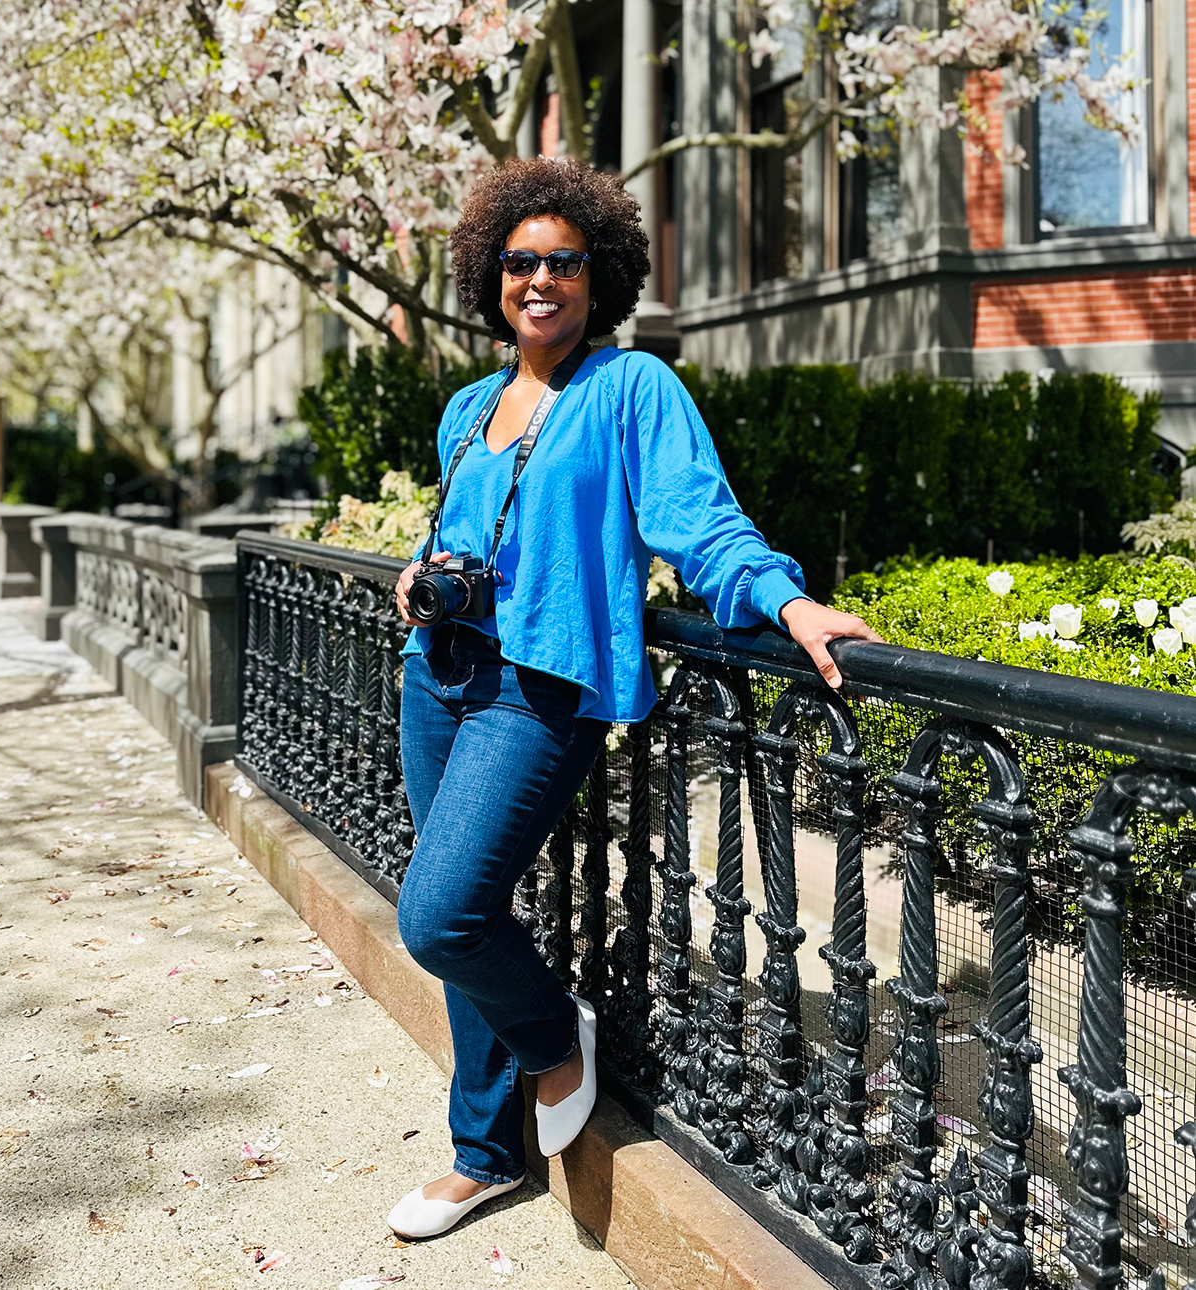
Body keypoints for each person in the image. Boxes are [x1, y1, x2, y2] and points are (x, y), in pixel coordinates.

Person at [385, 156, 881, 1240]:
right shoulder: (470, 407)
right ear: (491, 276)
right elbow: (463, 534)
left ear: (598, 273)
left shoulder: (632, 388)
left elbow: (696, 519)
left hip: (538, 686)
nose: (540, 280)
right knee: (465, 915)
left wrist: (786, 602)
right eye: (519, 262)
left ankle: (557, 1037)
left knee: (443, 913)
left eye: (564, 261)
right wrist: (422, 581)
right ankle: (483, 1154)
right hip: (442, 673)